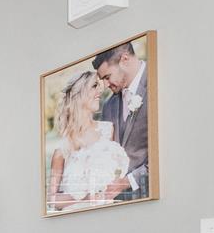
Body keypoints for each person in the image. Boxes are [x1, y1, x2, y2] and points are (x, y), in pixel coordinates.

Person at [48, 72, 130, 211]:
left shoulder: (108, 130)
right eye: (94, 86)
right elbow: (52, 200)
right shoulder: (63, 148)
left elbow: (117, 175)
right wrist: (85, 197)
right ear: (78, 93)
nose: (100, 91)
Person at [94, 39, 151, 200]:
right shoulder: (108, 105)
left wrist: (127, 181)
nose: (105, 85)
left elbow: (167, 153)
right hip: (117, 203)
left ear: (125, 59)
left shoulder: (159, 83)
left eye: (107, 77)